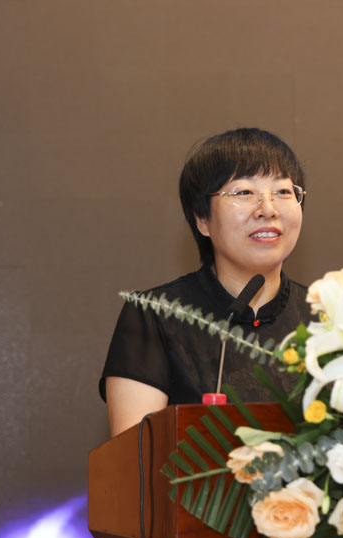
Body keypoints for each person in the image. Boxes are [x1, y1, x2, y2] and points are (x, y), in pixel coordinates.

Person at [100, 128, 311, 437]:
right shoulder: (155, 317)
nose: (268, 209)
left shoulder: (331, 319)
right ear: (202, 219)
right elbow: (138, 460)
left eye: (283, 192)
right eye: (244, 192)